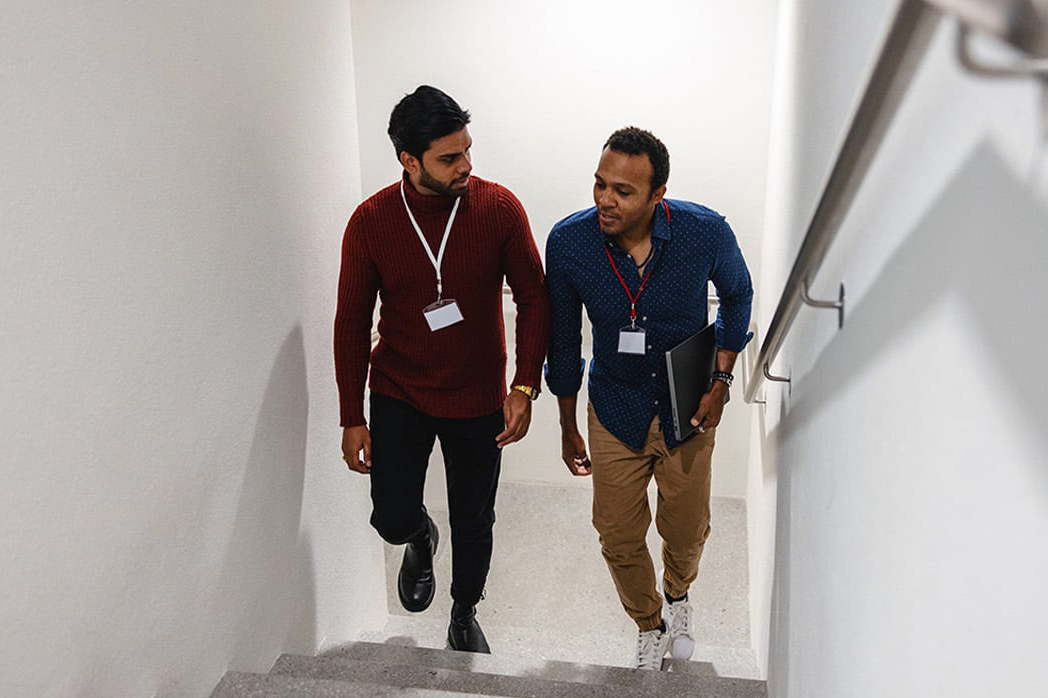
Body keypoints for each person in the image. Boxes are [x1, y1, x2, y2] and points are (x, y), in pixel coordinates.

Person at [334, 85, 550, 653]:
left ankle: (463, 612)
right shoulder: (371, 222)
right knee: (390, 515)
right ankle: (418, 536)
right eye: (449, 158)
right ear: (410, 160)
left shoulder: (498, 208)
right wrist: (351, 416)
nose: (466, 166)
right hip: (399, 389)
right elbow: (351, 323)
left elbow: (535, 295)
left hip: (478, 396)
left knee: (475, 517)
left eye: (467, 151)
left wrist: (525, 384)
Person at [544, 127, 753, 670]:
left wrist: (721, 380)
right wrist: (567, 423)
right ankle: (649, 621)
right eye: (599, 185)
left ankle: (679, 594)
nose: (605, 201)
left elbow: (738, 293)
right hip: (614, 406)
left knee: (685, 530)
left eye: (623, 191)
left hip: (687, 404)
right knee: (615, 533)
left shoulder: (703, 232)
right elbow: (563, 340)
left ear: (657, 194)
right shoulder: (569, 243)